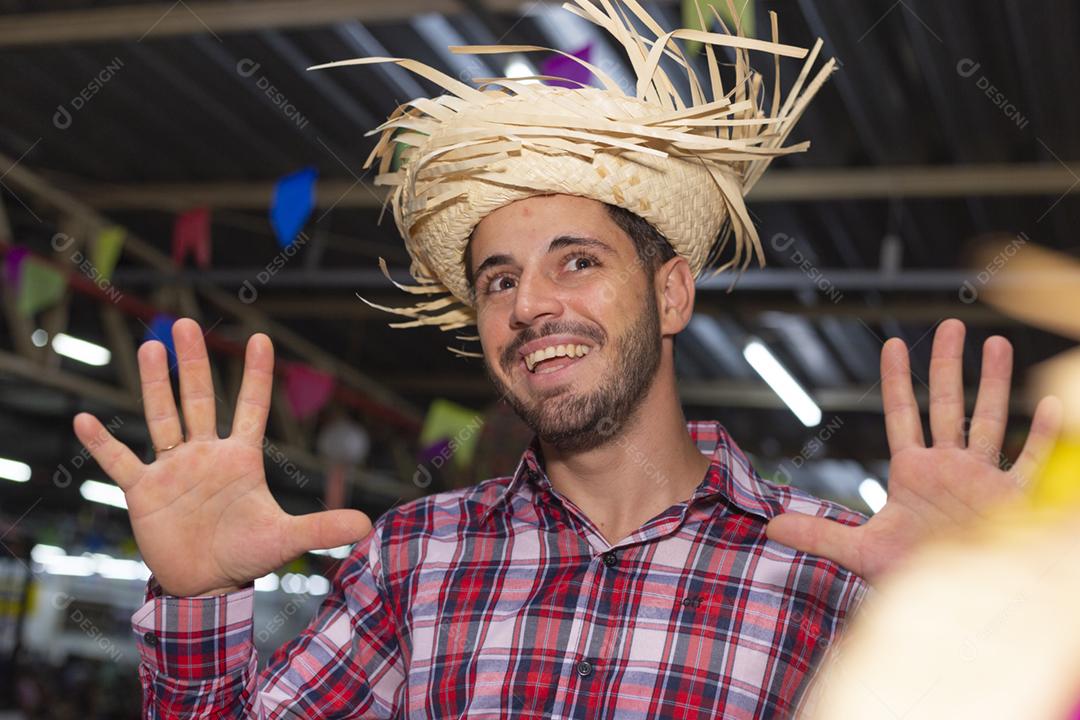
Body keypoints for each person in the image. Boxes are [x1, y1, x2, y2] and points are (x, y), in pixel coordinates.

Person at [71, 2, 1061, 717]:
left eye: (577, 262)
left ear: (671, 292)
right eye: (498, 279)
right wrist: (199, 600)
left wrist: (989, 614)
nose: (530, 303)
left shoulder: (838, 564)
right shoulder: (414, 559)